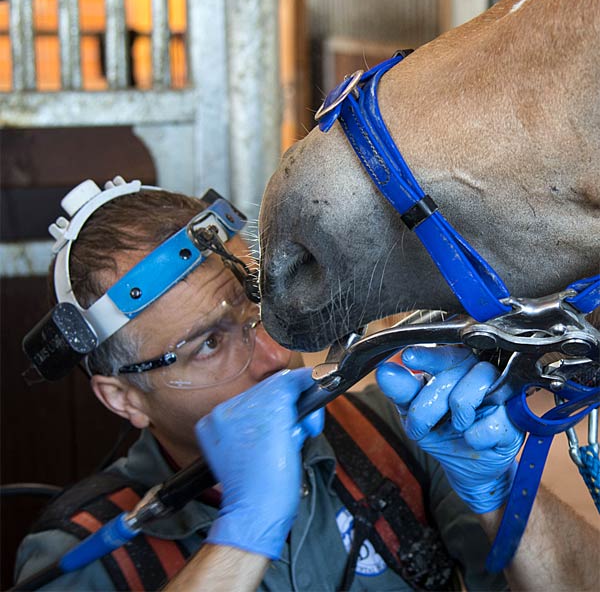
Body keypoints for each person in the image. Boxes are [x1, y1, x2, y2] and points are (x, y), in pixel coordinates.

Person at [14, 177, 597, 592]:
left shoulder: (393, 438)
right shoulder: (76, 551)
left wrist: (502, 498)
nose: (276, 354)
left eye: (263, 311)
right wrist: (241, 536)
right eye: (210, 344)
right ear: (123, 398)